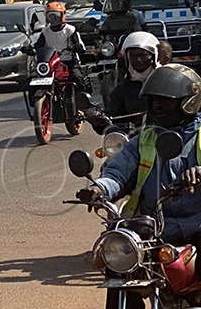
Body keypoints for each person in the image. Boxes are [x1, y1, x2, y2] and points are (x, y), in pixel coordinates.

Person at [79, 64, 201, 239]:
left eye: (165, 101)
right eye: (154, 100)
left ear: (189, 102)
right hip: (153, 226)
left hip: (197, 224)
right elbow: (117, 174)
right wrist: (100, 188)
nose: (157, 106)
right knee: (111, 254)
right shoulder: (143, 141)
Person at [34, 1, 90, 94]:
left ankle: (83, 101)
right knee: (34, 79)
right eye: (50, 16)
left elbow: (80, 46)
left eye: (56, 16)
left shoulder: (70, 30)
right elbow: (39, 45)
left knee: (78, 78)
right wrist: (29, 48)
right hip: (51, 63)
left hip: (68, 61)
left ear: (62, 15)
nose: (53, 19)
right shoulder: (45, 31)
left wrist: (76, 47)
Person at [105, 31, 160, 117]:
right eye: (133, 56)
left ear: (154, 56)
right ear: (126, 59)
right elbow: (112, 118)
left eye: (143, 55)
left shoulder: (167, 81)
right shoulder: (121, 90)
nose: (138, 60)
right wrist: (100, 122)